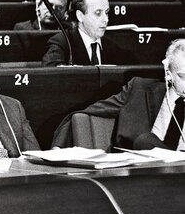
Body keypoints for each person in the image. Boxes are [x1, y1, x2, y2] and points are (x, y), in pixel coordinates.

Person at [52, 39, 185, 151]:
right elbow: (90, 111)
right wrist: (58, 147)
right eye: (183, 77)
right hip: (139, 171)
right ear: (168, 73)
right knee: (144, 141)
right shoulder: (139, 89)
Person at [41, 0, 122, 66]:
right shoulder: (61, 43)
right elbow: (50, 74)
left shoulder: (113, 47)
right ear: (80, 16)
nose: (106, 19)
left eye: (106, 12)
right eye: (98, 13)